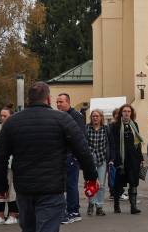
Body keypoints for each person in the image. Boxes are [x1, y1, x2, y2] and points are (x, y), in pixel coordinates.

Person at [0, 81, 98, 232]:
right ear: (48, 99)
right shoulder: (62, 119)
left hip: (25, 187)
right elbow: (83, 150)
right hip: (51, 188)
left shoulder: (12, 122)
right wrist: (91, 177)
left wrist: (1, 186)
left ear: (29, 99)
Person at [108, 103, 144, 215]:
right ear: (121, 113)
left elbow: (137, 143)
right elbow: (112, 143)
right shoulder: (114, 126)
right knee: (119, 183)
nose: (127, 113)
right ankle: (116, 205)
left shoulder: (135, 125)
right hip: (120, 159)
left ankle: (133, 206)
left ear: (131, 113)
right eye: (124, 111)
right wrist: (113, 158)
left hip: (133, 158)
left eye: (129, 111)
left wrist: (141, 158)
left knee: (133, 182)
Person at [56, 93, 86, 224]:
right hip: (62, 156)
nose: (58, 104)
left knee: (71, 185)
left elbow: (80, 137)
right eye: (57, 102)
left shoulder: (76, 116)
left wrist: (75, 155)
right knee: (64, 185)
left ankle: (74, 212)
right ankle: (67, 211)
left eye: (60, 102)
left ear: (68, 102)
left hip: (71, 156)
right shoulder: (60, 116)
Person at [84, 110, 109, 217]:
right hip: (90, 160)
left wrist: (110, 157)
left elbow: (109, 143)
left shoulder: (105, 129)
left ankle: (99, 207)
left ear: (101, 118)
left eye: (97, 116)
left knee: (101, 185)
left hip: (101, 159)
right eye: (93, 116)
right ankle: (91, 204)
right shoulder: (87, 128)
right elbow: (83, 142)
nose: (95, 118)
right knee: (91, 184)